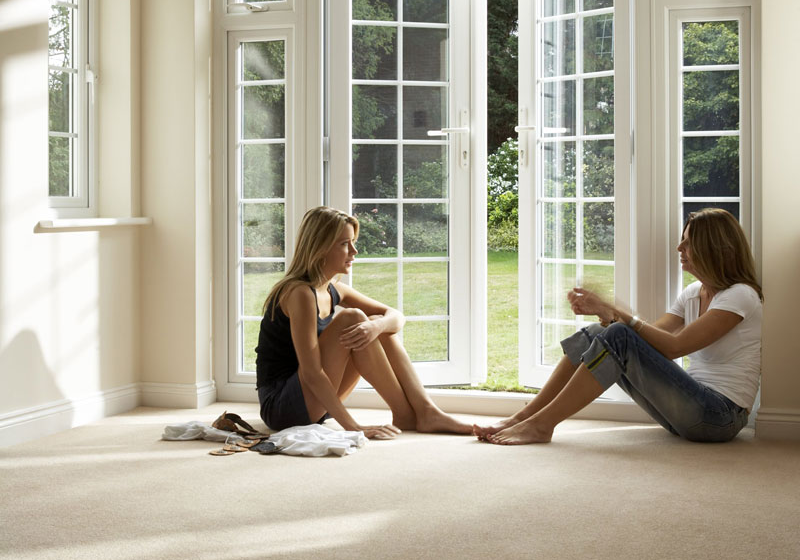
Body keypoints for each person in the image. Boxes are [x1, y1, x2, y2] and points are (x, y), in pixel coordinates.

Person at [475, 208, 762, 445]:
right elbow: (650, 339)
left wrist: (615, 313)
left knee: (617, 333)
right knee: (601, 333)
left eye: (688, 242)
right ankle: (523, 418)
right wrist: (610, 315)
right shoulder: (693, 292)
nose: (679, 247)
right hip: (688, 411)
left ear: (713, 248)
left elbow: (675, 347)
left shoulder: (740, 295)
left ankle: (542, 425)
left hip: (719, 416)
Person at [256, 206, 473, 439]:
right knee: (354, 318)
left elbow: (396, 317)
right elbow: (311, 373)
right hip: (282, 407)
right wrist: (354, 427)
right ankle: (412, 413)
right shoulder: (299, 293)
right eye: (344, 244)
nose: (354, 251)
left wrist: (376, 327)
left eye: (352, 242)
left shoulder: (333, 290)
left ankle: (423, 411)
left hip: (315, 401)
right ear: (319, 247)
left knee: (376, 323)